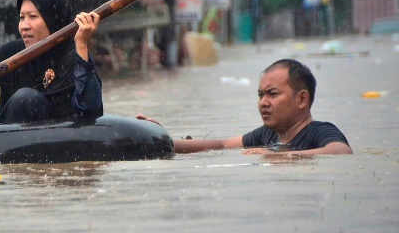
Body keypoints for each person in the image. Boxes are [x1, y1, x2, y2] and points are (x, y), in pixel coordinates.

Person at [136, 58, 352, 155]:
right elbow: (221, 144)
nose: (263, 103)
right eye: (260, 95)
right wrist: (162, 138)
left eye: (273, 94)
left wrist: (280, 156)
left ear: (302, 100)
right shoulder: (268, 136)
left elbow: (341, 151)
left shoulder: (319, 131)